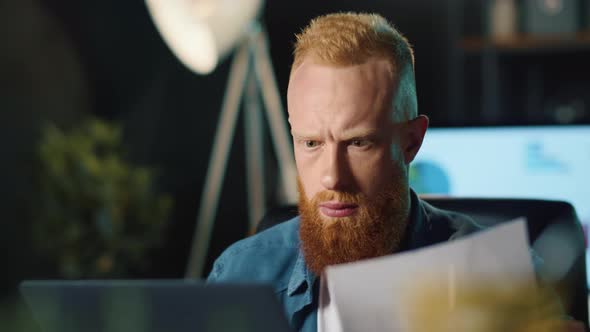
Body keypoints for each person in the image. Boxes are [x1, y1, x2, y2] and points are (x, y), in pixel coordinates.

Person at [207, 12, 584, 332]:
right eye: (311, 144)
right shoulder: (241, 273)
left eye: (359, 143)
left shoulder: (501, 281)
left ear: (411, 142)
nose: (331, 178)